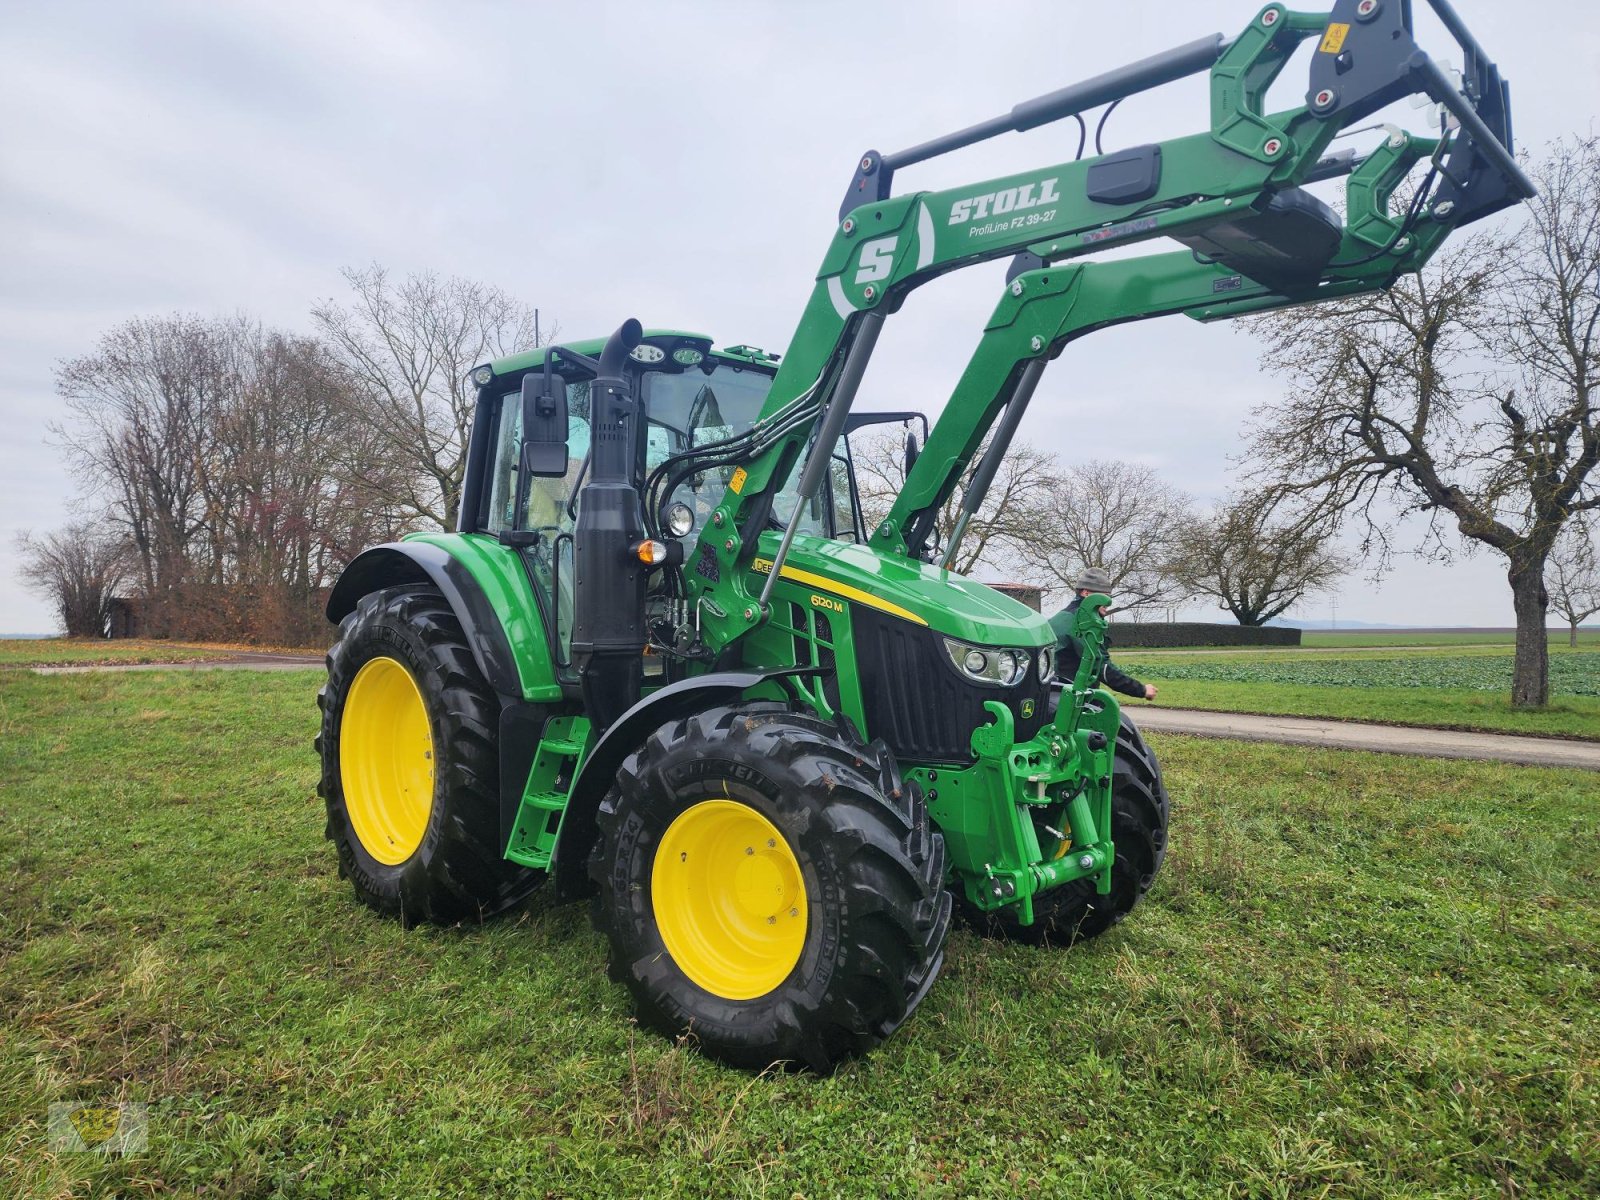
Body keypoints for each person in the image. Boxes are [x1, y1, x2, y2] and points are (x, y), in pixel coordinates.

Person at [1047, 567, 1158, 701]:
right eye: (1103, 596)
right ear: (1086, 593)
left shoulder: (1061, 617)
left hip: (1052, 693)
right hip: (1069, 698)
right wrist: (1141, 690)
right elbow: (1101, 667)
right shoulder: (1083, 622)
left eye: (1109, 596)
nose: (1108, 602)